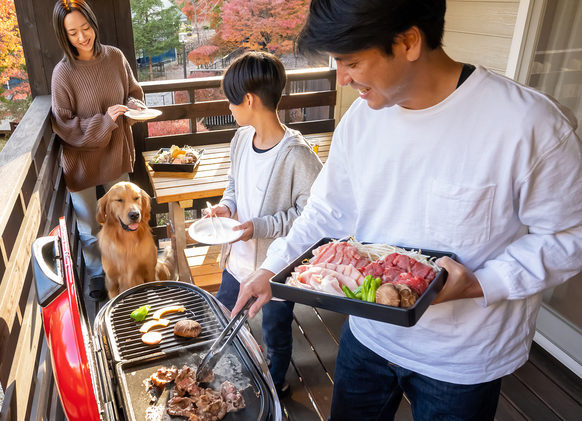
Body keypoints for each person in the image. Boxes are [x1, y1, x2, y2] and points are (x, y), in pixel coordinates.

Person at [231, 0, 582, 420]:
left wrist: (482, 283)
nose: (342, 80)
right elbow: (328, 209)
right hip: (369, 336)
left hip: (462, 358)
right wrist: (274, 266)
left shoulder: (528, 124)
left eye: (352, 62)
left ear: (409, 41)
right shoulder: (362, 119)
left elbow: (569, 237)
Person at [205, 51, 323, 399]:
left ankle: (275, 383)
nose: (229, 108)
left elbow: (311, 215)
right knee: (223, 316)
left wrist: (257, 226)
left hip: (274, 269)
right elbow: (233, 183)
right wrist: (227, 206)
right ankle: (228, 374)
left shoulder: (297, 155)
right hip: (236, 261)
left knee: (275, 328)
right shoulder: (241, 139)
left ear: (250, 100)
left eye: (231, 101)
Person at [50, 0, 145, 300]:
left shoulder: (115, 57)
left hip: (116, 153)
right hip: (81, 161)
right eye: (73, 32)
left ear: (93, 23)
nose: (82, 37)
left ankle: (129, 265)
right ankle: (96, 272)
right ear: (64, 35)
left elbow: (132, 92)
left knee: (127, 214)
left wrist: (133, 106)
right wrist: (105, 121)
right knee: (91, 224)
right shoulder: (62, 73)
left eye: (86, 28)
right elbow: (63, 123)